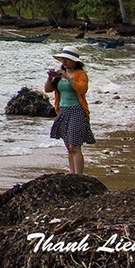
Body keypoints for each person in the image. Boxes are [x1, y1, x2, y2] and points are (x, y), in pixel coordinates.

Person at [44, 46, 95, 174]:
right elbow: (48, 89)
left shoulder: (81, 74)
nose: (64, 62)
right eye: (63, 59)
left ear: (75, 61)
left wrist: (69, 77)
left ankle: (79, 175)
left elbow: (82, 89)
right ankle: (72, 174)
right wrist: (50, 78)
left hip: (77, 111)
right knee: (68, 146)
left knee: (75, 146)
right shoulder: (59, 75)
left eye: (67, 59)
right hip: (62, 111)